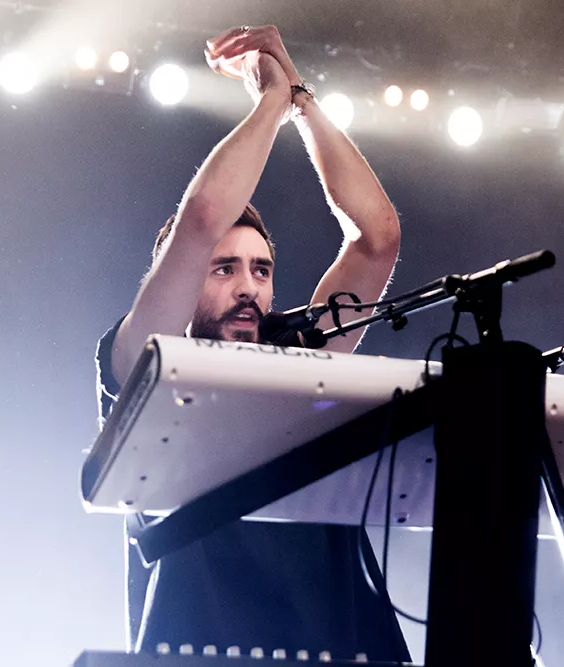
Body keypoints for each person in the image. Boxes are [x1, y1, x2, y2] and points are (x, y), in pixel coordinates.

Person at [96, 25, 409, 661]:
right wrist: (270, 100)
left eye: (261, 270)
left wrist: (302, 101)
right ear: (181, 280)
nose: (248, 287)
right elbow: (202, 218)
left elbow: (377, 239)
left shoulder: (299, 359)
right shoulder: (143, 363)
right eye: (223, 268)